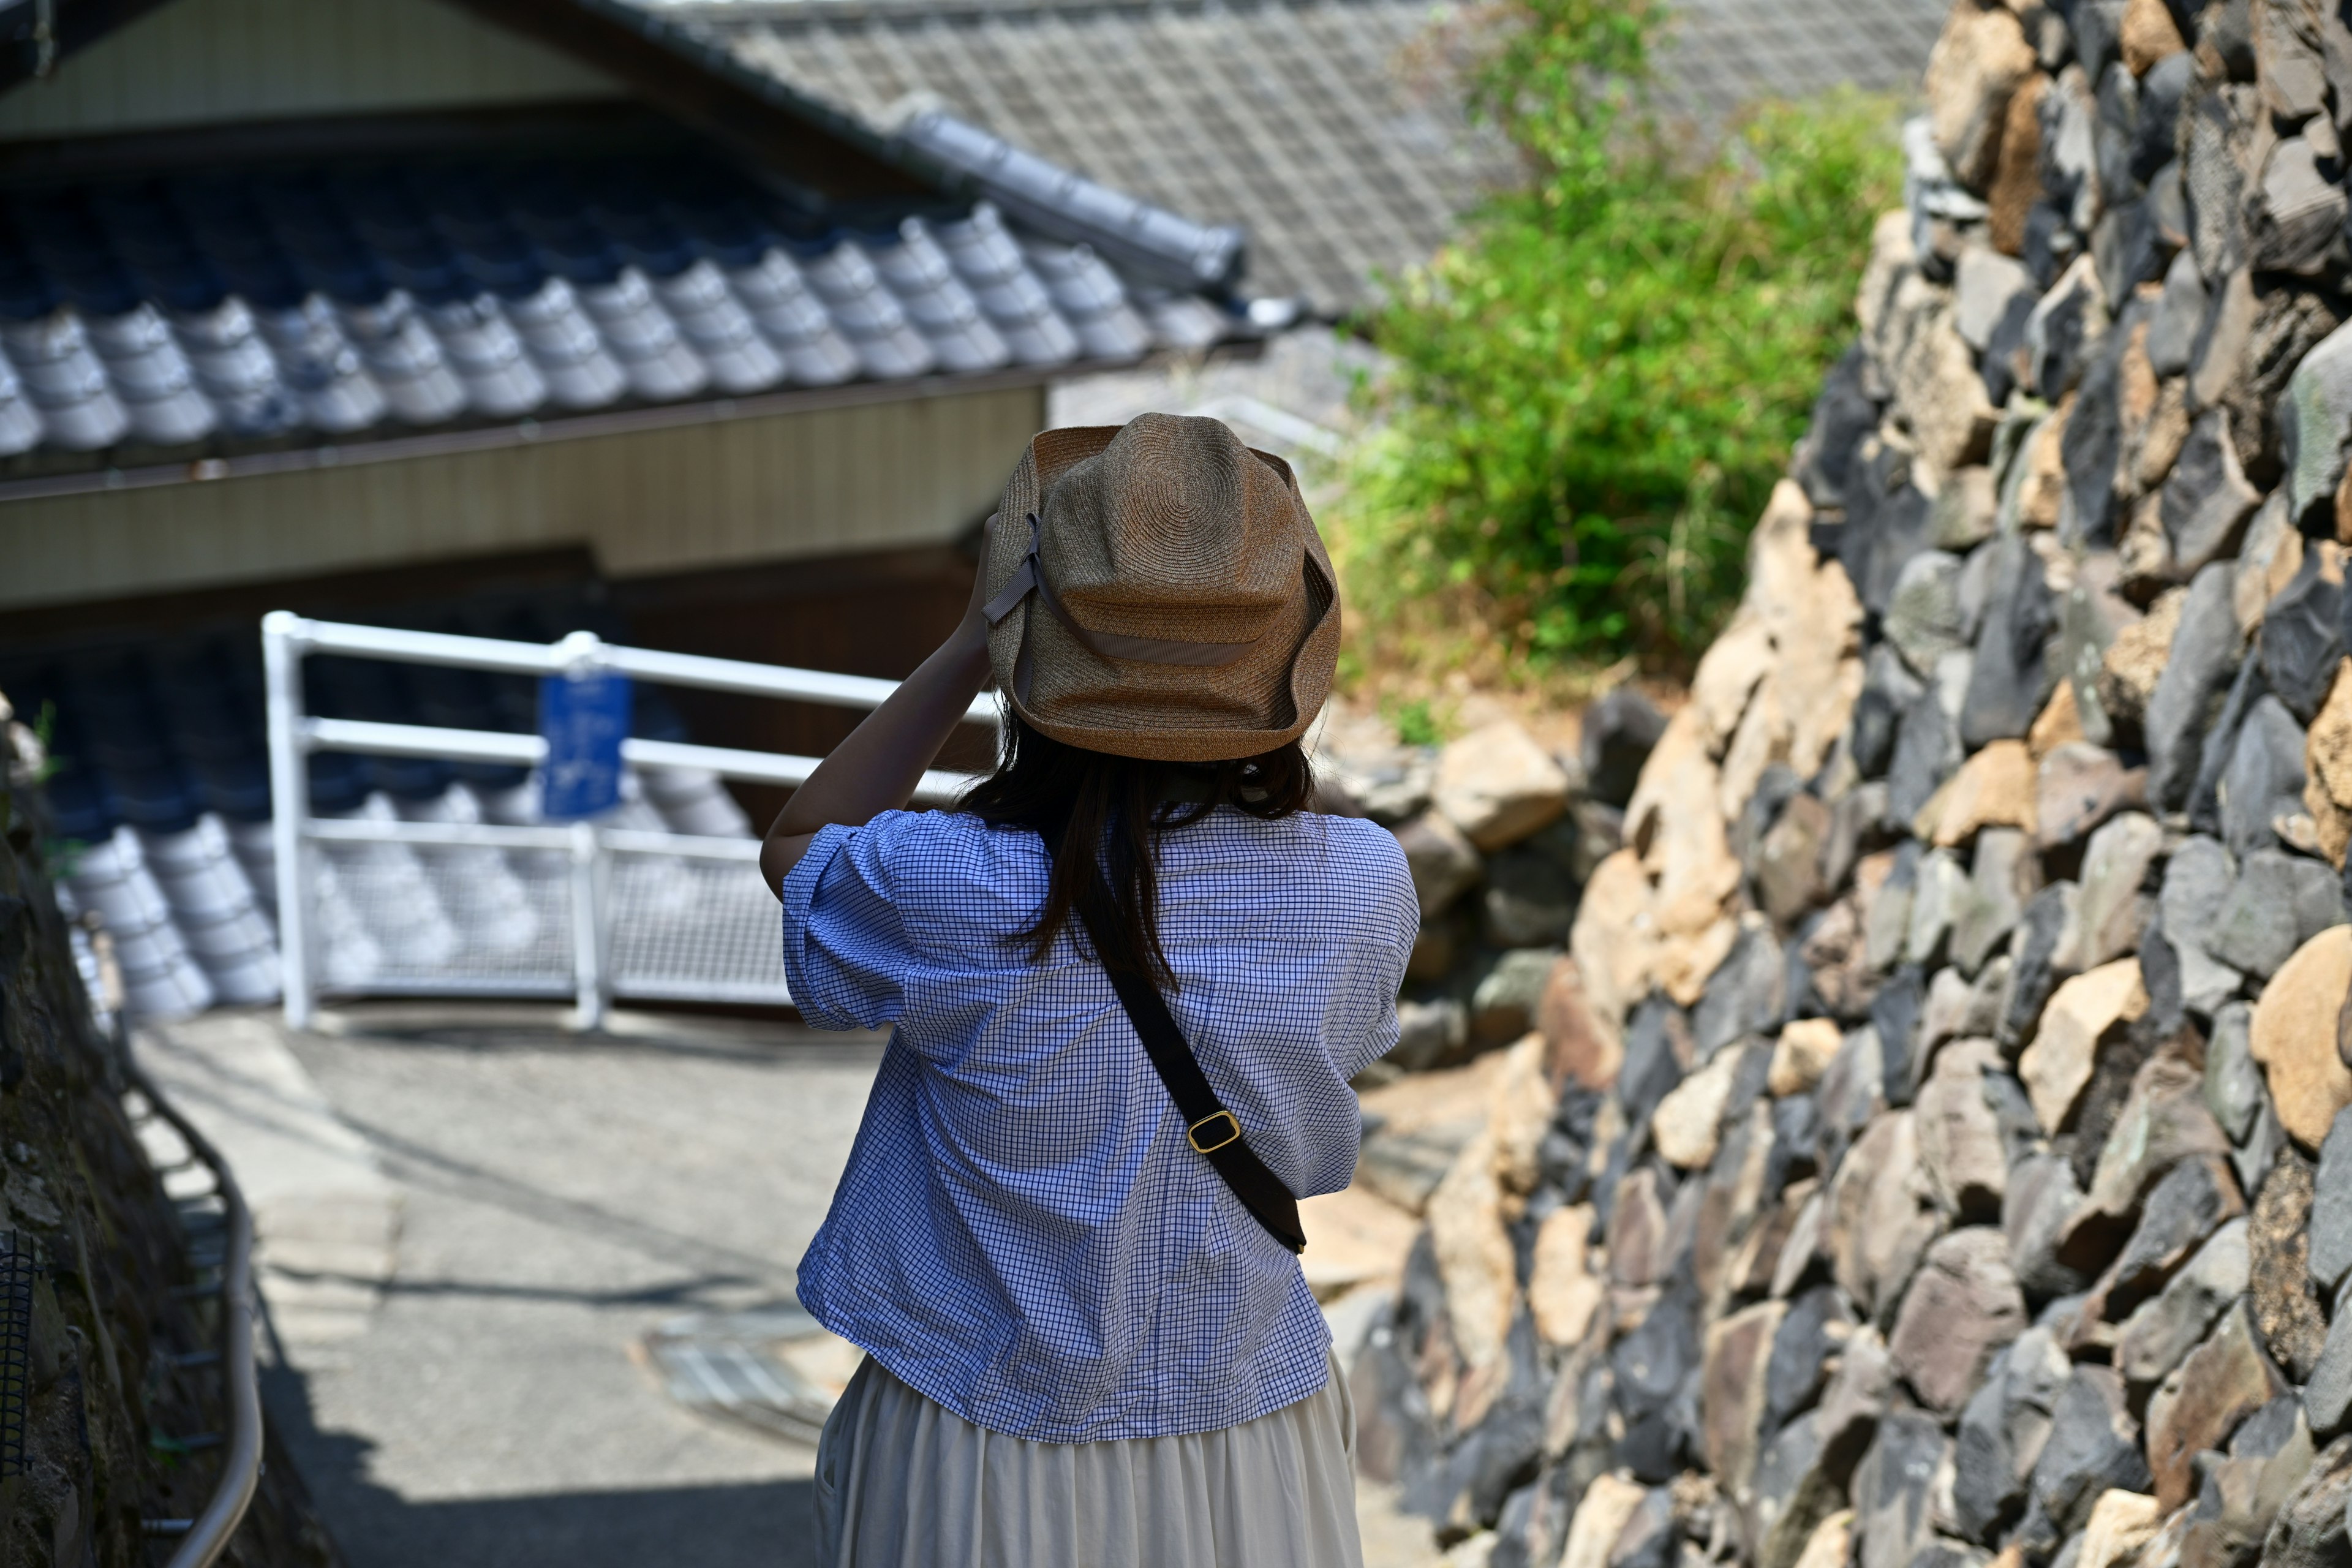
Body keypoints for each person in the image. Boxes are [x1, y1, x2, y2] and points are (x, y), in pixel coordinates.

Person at [761, 412, 1417, 1567]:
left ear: (1038, 653)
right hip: (1252, 1430)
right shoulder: (1360, 885)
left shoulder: (950, 888)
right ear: (1282, 662)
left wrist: (971, 641)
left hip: (978, 1439)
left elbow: (803, 842)